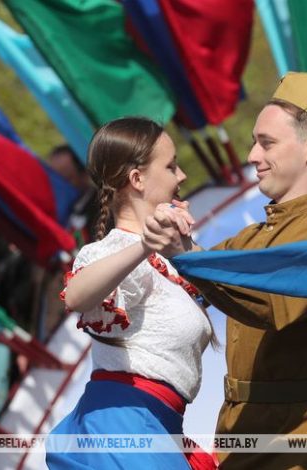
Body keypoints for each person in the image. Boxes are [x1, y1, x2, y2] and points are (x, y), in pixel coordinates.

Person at [144, 72, 307, 469]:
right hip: (242, 435)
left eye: (267, 143)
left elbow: (270, 305)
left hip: (303, 445)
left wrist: (185, 255)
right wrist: (145, 221)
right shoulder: (251, 238)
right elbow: (196, 279)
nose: (252, 156)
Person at [46, 117, 217, 469]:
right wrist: (144, 244)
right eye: (171, 166)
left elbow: (230, 287)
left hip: (156, 426)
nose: (182, 176)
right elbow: (76, 297)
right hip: (125, 426)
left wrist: (178, 247)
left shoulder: (163, 256)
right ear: (137, 179)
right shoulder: (118, 251)